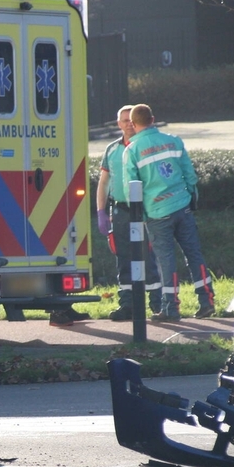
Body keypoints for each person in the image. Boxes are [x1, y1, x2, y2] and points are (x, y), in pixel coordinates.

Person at [123, 104, 214, 322]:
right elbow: (189, 174)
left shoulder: (132, 150)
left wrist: (139, 216)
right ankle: (206, 301)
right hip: (182, 206)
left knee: (166, 261)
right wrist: (192, 198)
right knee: (194, 254)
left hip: (156, 213)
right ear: (153, 119)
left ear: (134, 124)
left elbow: (130, 189)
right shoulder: (174, 141)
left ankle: (171, 309)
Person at [96, 105, 162, 321]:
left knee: (148, 258)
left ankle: (157, 304)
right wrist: (101, 211)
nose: (128, 123)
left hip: (145, 210)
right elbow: (104, 182)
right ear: (118, 124)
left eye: (130, 120)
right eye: (123, 120)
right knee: (123, 259)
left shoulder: (146, 146)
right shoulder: (112, 150)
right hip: (121, 211)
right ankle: (127, 305)